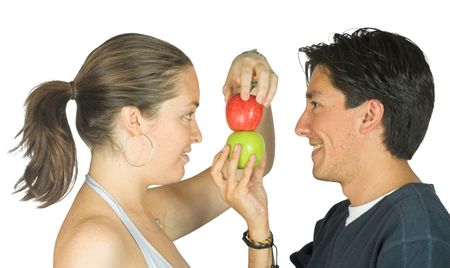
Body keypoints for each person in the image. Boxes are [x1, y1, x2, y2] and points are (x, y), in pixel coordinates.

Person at [12, 33, 278, 267]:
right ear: (134, 120)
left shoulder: (144, 209)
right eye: (187, 115)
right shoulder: (92, 246)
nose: (197, 135)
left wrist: (253, 79)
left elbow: (251, 168)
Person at [211, 27, 450, 267]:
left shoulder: (417, 235)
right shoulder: (337, 221)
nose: (300, 127)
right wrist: (258, 228)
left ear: (369, 116)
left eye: (315, 104)